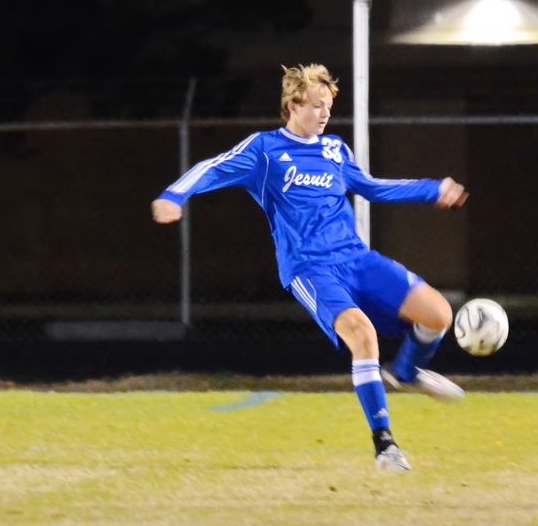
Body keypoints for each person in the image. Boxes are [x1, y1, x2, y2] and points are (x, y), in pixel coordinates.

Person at [151, 63, 469, 471]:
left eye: (329, 107)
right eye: (317, 105)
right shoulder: (264, 150)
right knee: (362, 334)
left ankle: (407, 372)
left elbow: (372, 187)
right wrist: (173, 196)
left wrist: (431, 189)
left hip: (355, 258)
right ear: (293, 105)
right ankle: (386, 446)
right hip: (309, 269)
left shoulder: (335, 149)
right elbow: (211, 167)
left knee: (438, 314)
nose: (324, 113)